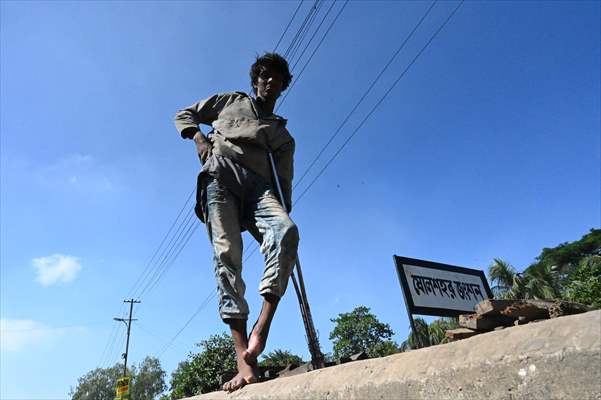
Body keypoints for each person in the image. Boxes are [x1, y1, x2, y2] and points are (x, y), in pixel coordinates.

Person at [174, 53, 298, 392]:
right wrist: (198, 139)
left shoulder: (281, 135)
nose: (270, 81)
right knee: (227, 255)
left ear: (283, 86)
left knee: (286, 232)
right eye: (264, 76)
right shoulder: (231, 101)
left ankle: (262, 327)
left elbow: (284, 183)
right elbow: (184, 114)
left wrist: (280, 215)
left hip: (259, 188)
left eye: (277, 78)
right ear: (256, 80)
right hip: (220, 174)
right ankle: (245, 364)